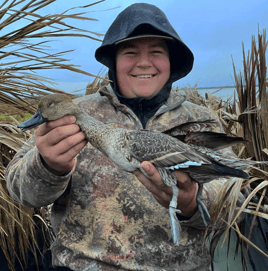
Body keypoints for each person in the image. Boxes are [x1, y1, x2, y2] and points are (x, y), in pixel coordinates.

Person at [5, 3, 245, 271]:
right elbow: (20, 192)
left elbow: (235, 199)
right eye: (130, 52)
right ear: (114, 62)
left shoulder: (200, 119)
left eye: (156, 51)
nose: (144, 62)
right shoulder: (72, 115)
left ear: (171, 60)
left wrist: (193, 202)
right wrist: (48, 167)